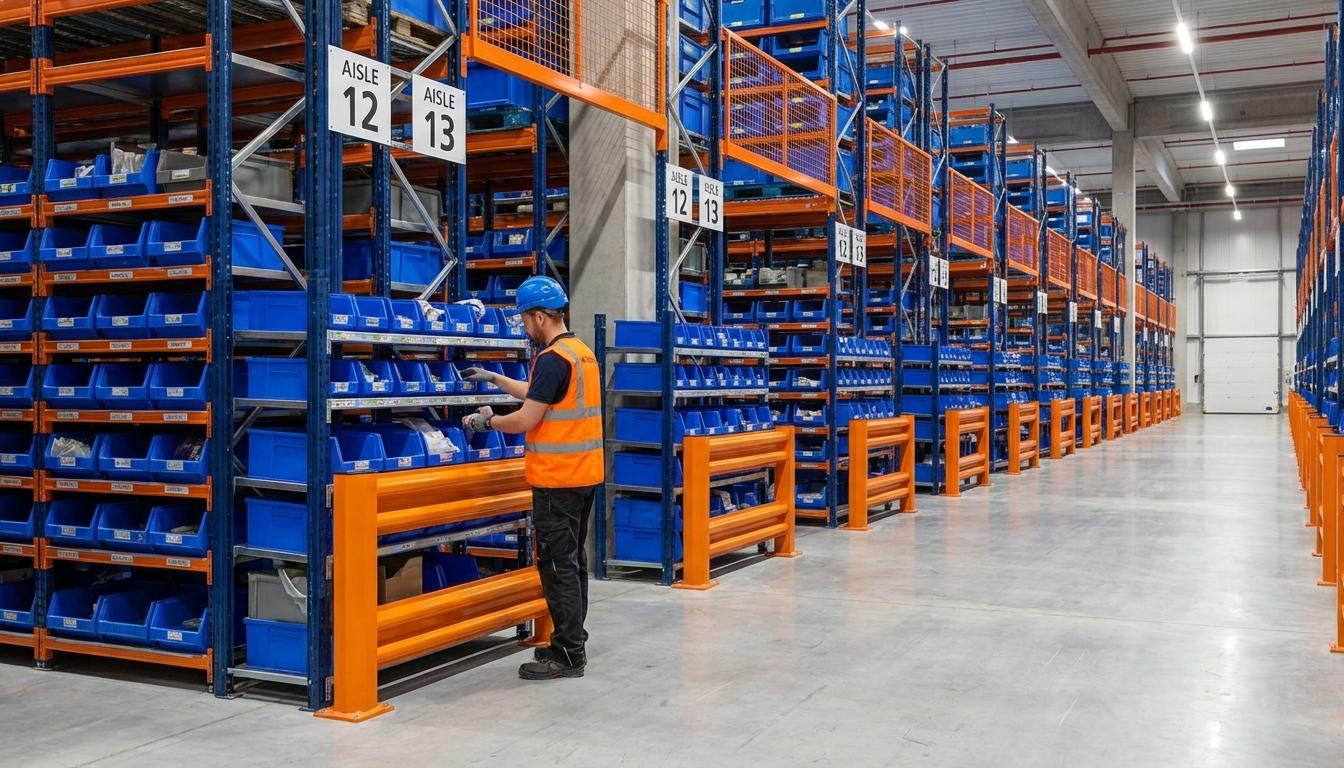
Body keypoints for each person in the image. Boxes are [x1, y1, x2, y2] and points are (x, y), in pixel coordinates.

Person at [460, 275, 603, 680]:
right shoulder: (580, 353)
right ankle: (571, 639)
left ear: (540, 317)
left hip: (557, 481)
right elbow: (539, 393)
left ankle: (568, 655)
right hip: (584, 475)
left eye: (524, 318)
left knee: (557, 567)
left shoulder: (553, 358)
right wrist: (494, 378)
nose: (524, 326)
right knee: (573, 563)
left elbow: (526, 418)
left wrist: (488, 421)